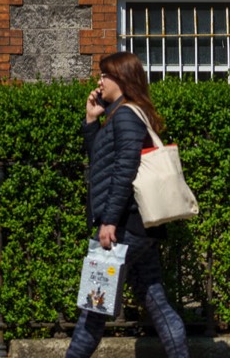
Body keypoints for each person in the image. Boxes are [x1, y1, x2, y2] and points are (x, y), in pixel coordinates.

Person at [66, 51, 190, 358]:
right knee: (155, 299)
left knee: (93, 309)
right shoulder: (121, 114)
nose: (99, 81)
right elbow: (103, 163)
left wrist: (108, 221)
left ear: (119, 78)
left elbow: (125, 171)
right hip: (136, 228)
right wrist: (92, 121)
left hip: (122, 227)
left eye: (103, 75)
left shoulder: (125, 115)